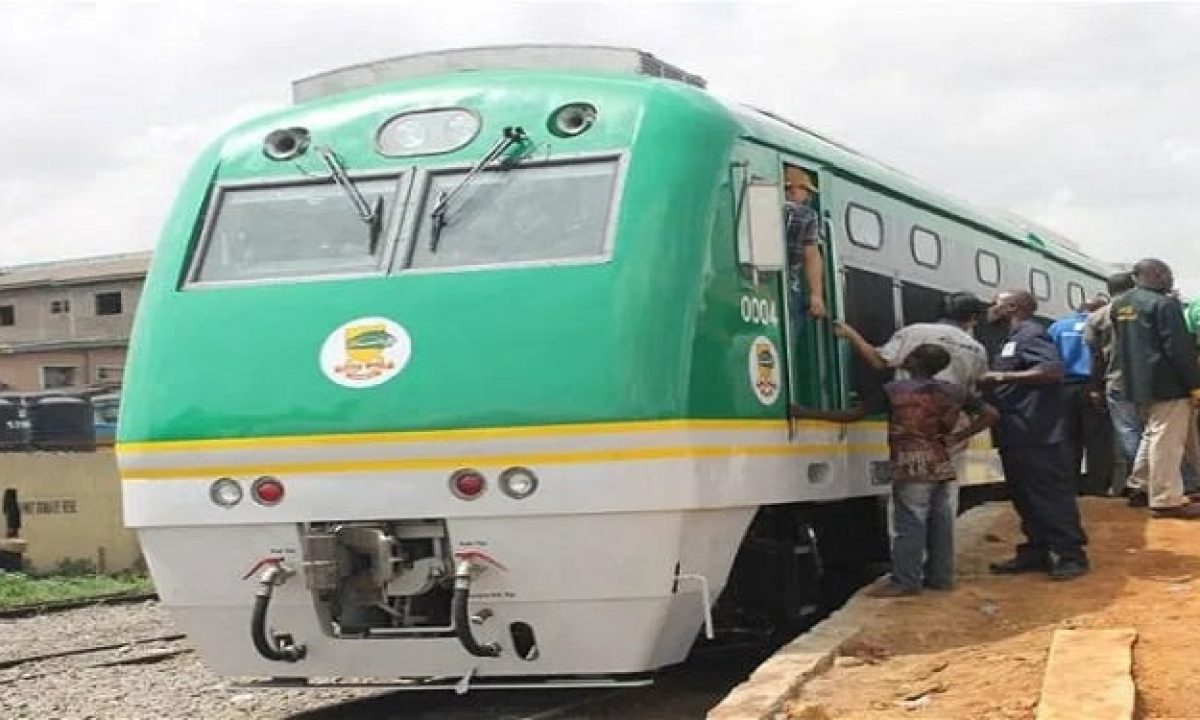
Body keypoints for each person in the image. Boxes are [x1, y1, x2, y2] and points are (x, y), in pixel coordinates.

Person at [868, 344, 998, 597]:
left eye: (912, 353)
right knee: (941, 522)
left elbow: (854, 414)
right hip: (941, 461)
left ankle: (906, 581)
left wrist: (809, 413)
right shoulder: (954, 391)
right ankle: (942, 578)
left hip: (909, 464)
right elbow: (991, 414)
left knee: (910, 523)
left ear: (916, 361)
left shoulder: (894, 391)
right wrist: (959, 435)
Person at [980, 290, 1089, 580]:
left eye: (996, 303)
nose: (990, 308)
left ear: (1012, 307)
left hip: (1037, 432)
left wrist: (1001, 377)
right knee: (1024, 495)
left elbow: (1052, 371)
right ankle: (1035, 551)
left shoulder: (1032, 335)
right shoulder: (1011, 339)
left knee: (1049, 494)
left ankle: (1071, 555)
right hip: (1015, 432)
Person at [1110, 258, 1200, 518]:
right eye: (1168, 274)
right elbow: (1179, 349)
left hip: (1137, 383)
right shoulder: (1164, 304)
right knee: (1167, 441)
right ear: (1158, 274)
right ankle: (1165, 499)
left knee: (1152, 434)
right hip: (1168, 383)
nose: (1171, 280)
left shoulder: (1121, 304)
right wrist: (1195, 385)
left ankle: (1140, 485)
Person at [1049, 295, 1116, 496]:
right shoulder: (1105, 326)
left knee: (1068, 439)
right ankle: (1096, 488)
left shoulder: (1058, 327)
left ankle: (1069, 487)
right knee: (1098, 441)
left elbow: (1049, 358)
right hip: (1094, 386)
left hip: (1064, 388)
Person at [1083, 272, 1141, 499]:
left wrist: (1095, 388)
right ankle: (1149, 478)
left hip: (1116, 380)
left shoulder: (1096, 317)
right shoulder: (1144, 308)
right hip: (1151, 382)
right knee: (1152, 432)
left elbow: (1096, 356)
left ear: (1108, 290)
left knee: (1127, 432)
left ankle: (1137, 481)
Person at [783, 167, 826, 324]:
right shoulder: (806, 215)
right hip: (789, 287)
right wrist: (816, 295)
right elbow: (812, 254)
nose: (807, 196)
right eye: (806, 191)